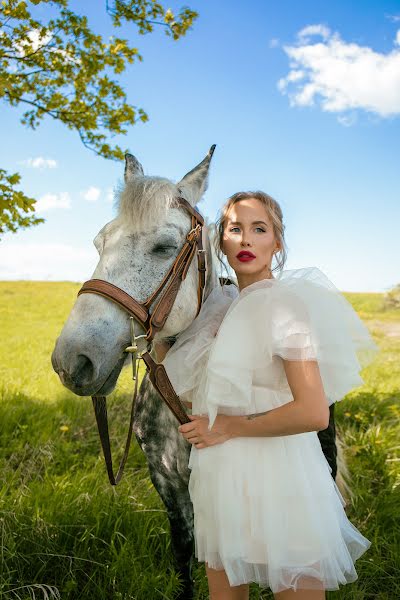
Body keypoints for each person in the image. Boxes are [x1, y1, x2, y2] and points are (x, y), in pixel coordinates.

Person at [162, 191, 378, 600]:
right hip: (220, 475)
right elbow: (197, 399)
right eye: (235, 229)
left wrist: (228, 427)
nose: (245, 240)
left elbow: (314, 412)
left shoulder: (284, 306)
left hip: (282, 475)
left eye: (259, 229)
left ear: (276, 242)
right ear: (220, 242)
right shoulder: (218, 309)